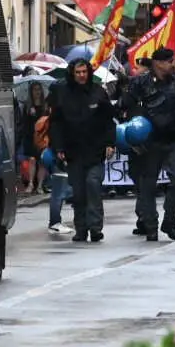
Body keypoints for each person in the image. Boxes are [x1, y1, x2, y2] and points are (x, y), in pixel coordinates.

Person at [123, 47, 175, 242]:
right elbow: (125, 106)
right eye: (169, 61)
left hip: (173, 140)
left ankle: (170, 221)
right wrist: (134, 134)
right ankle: (151, 226)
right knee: (147, 186)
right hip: (149, 141)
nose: (172, 65)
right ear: (158, 63)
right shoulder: (139, 83)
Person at [49, 58, 116, 243]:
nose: (81, 75)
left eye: (84, 72)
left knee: (93, 185)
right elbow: (56, 124)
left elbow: (109, 121)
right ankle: (81, 228)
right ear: (72, 73)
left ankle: (95, 227)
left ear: (89, 73)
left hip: (95, 151)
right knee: (78, 192)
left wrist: (110, 143)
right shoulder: (63, 94)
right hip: (73, 151)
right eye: (78, 72)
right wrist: (58, 147)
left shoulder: (98, 92)